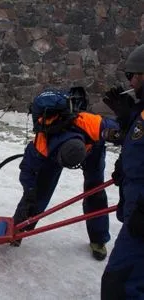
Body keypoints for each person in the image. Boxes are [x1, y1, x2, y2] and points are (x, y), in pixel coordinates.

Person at [11, 88, 119, 261]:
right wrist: (29, 189)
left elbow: (122, 131)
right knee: (37, 192)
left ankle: (98, 240)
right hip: (54, 156)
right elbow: (27, 170)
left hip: (92, 148)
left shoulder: (91, 124)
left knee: (96, 192)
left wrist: (119, 136)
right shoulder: (43, 145)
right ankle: (18, 229)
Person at [100, 44, 144, 299]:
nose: (130, 81)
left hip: (142, 213)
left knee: (120, 284)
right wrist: (128, 118)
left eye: (134, 75)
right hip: (136, 204)